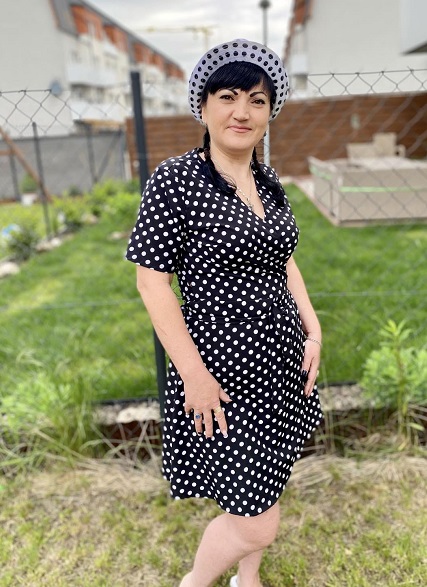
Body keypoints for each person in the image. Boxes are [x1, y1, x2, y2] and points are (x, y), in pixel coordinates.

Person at [126, 38, 323, 587]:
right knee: (256, 521)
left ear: (270, 112)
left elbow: (283, 259)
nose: (242, 112)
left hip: (281, 365)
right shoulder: (175, 180)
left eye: (257, 100)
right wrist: (193, 375)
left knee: (266, 480)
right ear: (204, 105)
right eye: (228, 97)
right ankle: (195, 582)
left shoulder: (269, 181)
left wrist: (312, 325)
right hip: (220, 373)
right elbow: (151, 283)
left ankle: (246, 579)